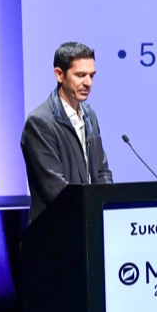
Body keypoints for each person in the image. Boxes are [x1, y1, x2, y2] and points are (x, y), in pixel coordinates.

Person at [20, 42, 112, 222]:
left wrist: (106, 206)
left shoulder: (89, 115)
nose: (88, 83)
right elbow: (55, 189)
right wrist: (92, 211)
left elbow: (102, 171)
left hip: (90, 224)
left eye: (91, 75)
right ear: (59, 75)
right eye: (80, 75)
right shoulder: (40, 122)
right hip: (57, 228)